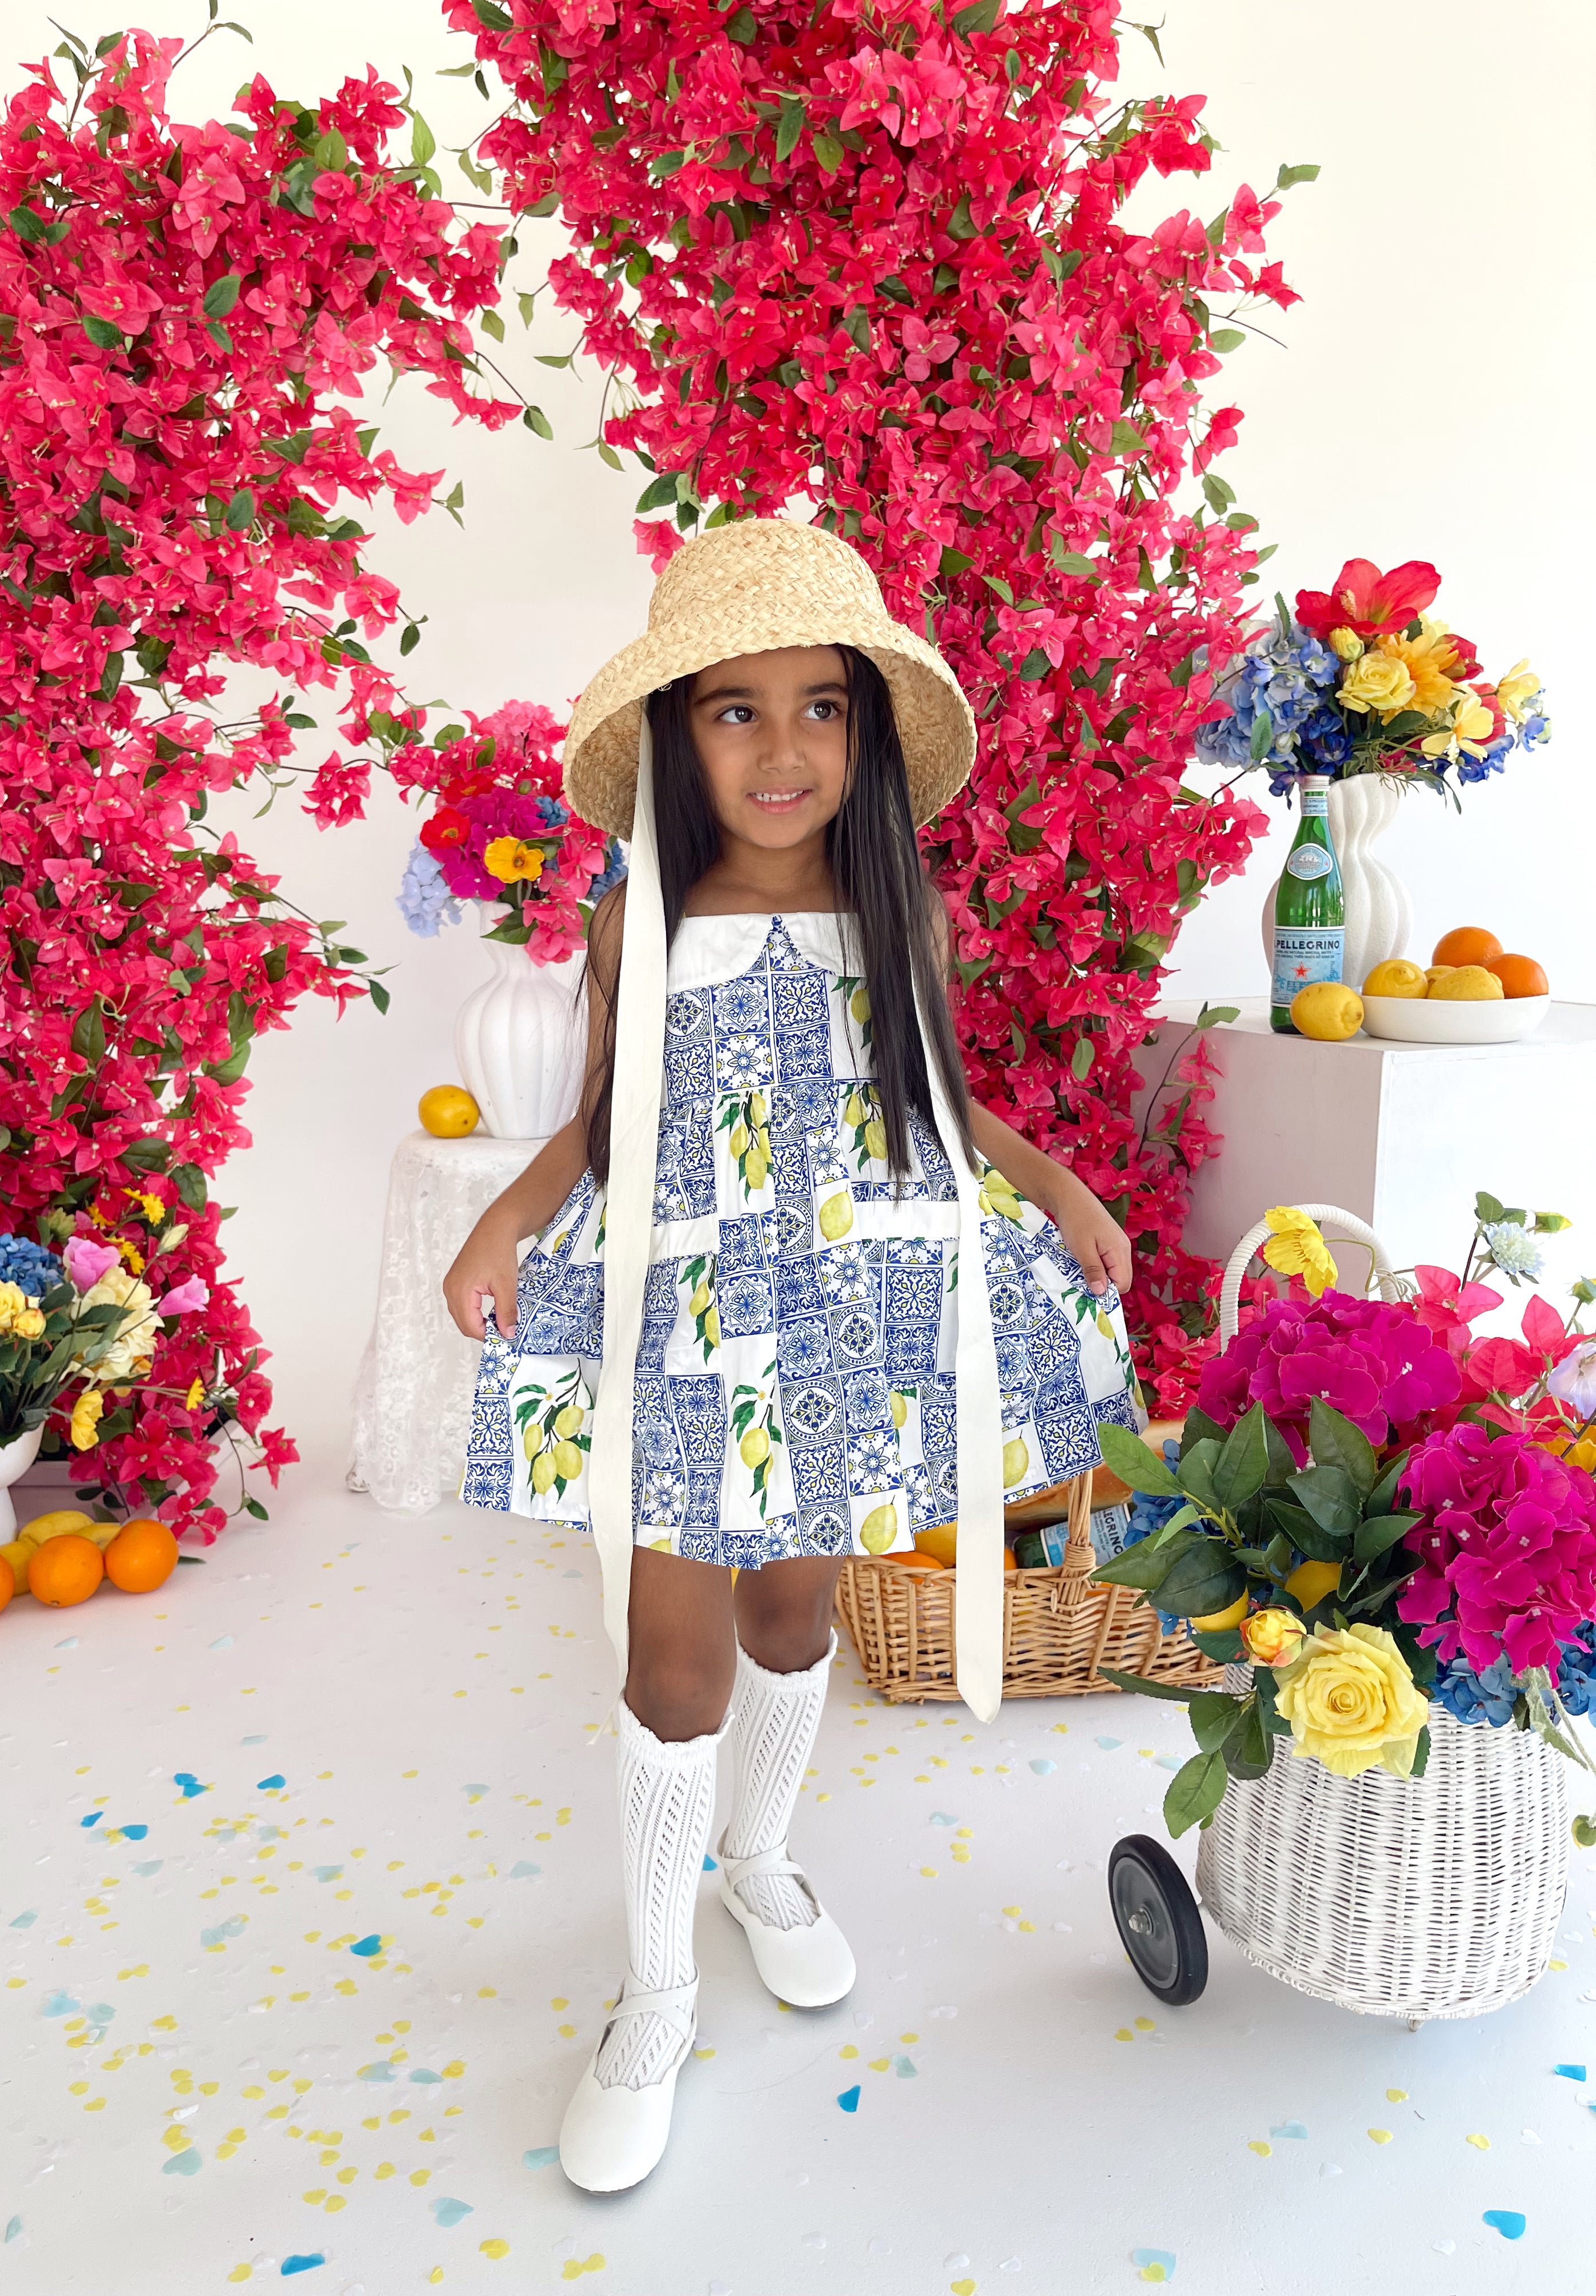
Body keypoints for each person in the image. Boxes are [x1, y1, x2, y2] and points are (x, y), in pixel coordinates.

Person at [443, 518, 1140, 2192]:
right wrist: (505, 1224)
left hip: (846, 1312)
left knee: (791, 1617)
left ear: (863, 733)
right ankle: (658, 1989)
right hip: (685, 1321)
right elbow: (604, 1118)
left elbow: (940, 1105)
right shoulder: (642, 917)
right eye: (735, 710)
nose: (782, 748)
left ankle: (757, 1857)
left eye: (819, 707)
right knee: (673, 1665)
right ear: (678, 738)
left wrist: (1055, 1184)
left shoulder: (896, 913)